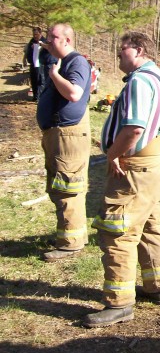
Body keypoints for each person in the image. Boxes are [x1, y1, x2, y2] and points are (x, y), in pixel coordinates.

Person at [84, 32, 160, 328]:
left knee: (118, 231)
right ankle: (158, 286)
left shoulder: (140, 81)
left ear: (138, 50)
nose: (117, 55)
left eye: (121, 50)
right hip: (155, 164)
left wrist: (113, 154)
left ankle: (119, 304)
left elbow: (134, 129)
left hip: (136, 168)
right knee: (151, 224)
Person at [36, 24, 92, 262]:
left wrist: (54, 76)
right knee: (59, 187)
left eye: (54, 37)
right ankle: (68, 235)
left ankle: (71, 243)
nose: (49, 40)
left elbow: (74, 94)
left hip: (69, 135)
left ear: (67, 40)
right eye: (48, 36)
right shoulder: (61, 59)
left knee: (68, 188)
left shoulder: (76, 62)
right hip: (58, 134)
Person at [23, 27, 43, 101]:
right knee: (33, 80)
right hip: (32, 63)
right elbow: (27, 50)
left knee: (39, 80)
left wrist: (39, 47)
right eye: (34, 34)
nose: (35, 36)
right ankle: (35, 96)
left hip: (40, 64)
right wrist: (24, 59)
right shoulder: (32, 40)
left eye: (36, 34)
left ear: (40, 33)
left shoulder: (43, 41)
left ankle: (39, 97)